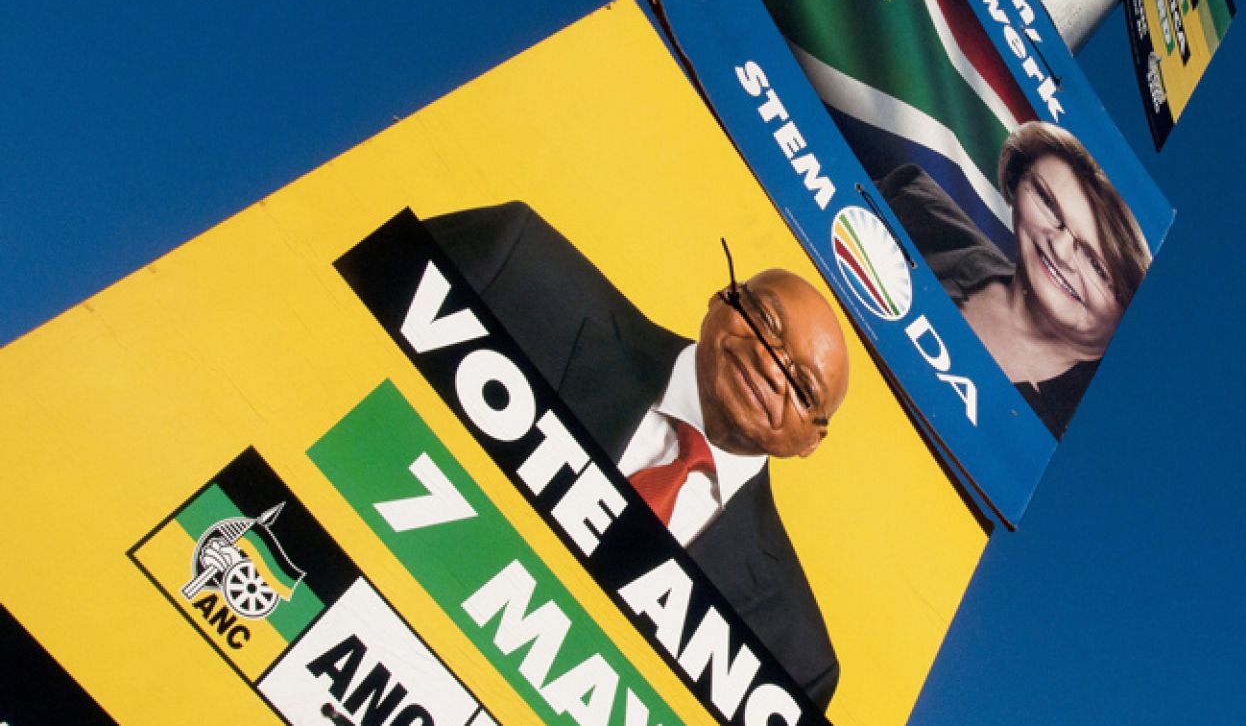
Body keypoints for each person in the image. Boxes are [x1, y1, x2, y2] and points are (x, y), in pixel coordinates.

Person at [422, 201, 847, 708]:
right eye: (766, 321)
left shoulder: (795, 658)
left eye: (802, 387)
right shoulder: (518, 269)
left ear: (811, 442)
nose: (771, 365)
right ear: (723, 298)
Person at [878, 122, 1150, 438]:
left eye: (1097, 266)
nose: (1059, 250)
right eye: (1049, 204)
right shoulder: (912, 205)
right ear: (1017, 180)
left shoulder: (1085, 440)